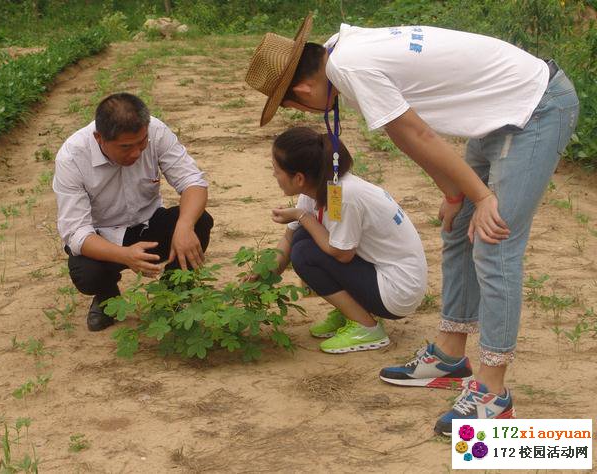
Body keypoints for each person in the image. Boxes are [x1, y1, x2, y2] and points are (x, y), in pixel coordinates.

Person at [245, 15, 579, 434]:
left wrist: (481, 196)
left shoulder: (350, 67)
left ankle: (493, 391)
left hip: (534, 107)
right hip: (500, 111)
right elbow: (403, 134)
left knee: (494, 242)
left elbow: (418, 135)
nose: (301, 112)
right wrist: (455, 194)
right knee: (458, 228)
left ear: (301, 91)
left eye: (292, 106)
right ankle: (449, 354)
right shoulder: (341, 52)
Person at [53, 93, 213, 332]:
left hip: (149, 224)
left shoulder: (156, 131)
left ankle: (173, 295)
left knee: (199, 221)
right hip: (103, 236)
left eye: (142, 143)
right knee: (87, 273)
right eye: (126, 147)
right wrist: (124, 255)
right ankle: (107, 296)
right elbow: (76, 231)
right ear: (99, 138)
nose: (137, 153)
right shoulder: (72, 157)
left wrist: (184, 226)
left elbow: (193, 181)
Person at [266, 126, 426, 354]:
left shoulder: (344, 195)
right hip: (378, 273)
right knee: (303, 237)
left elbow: (342, 254)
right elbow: (290, 236)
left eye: (276, 170)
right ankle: (350, 311)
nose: (274, 175)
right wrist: (263, 279)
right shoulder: (317, 186)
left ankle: (366, 327)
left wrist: (301, 215)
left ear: (299, 178)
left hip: (397, 290)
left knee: (305, 253)